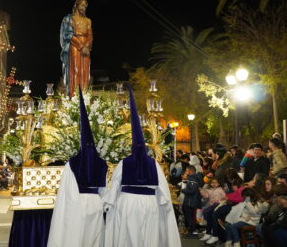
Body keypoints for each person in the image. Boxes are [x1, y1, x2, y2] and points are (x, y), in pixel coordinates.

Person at [103, 87, 181, 247]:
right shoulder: (154, 164)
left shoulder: (124, 163)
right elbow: (163, 189)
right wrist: (164, 203)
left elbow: (115, 184)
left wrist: (109, 202)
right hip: (149, 204)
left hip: (128, 204)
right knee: (148, 237)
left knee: (127, 237)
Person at [48, 88, 107, 247]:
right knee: (94, 237)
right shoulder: (101, 162)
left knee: (77, 237)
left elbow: (66, 190)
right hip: (95, 203)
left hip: (78, 203)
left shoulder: (73, 162)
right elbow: (104, 190)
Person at [60, 0, 93, 96]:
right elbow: (67, 35)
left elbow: (90, 35)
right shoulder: (69, 19)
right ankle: (74, 96)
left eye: (85, 6)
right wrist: (81, 46)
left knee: (85, 71)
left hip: (86, 48)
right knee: (75, 70)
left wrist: (86, 46)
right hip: (75, 45)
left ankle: (84, 95)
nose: (83, 8)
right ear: (76, 6)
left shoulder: (88, 20)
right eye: (82, 5)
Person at [181, 165, 204, 238]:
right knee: (191, 217)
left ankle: (193, 232)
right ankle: (192, 231)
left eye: (187, 171)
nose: (186, 172)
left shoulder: (192, 178)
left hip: (191, 201)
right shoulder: (196, 177)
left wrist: (182, 190)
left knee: (189, 217)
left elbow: (192, 190)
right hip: (193, 200)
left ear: (190, 171)